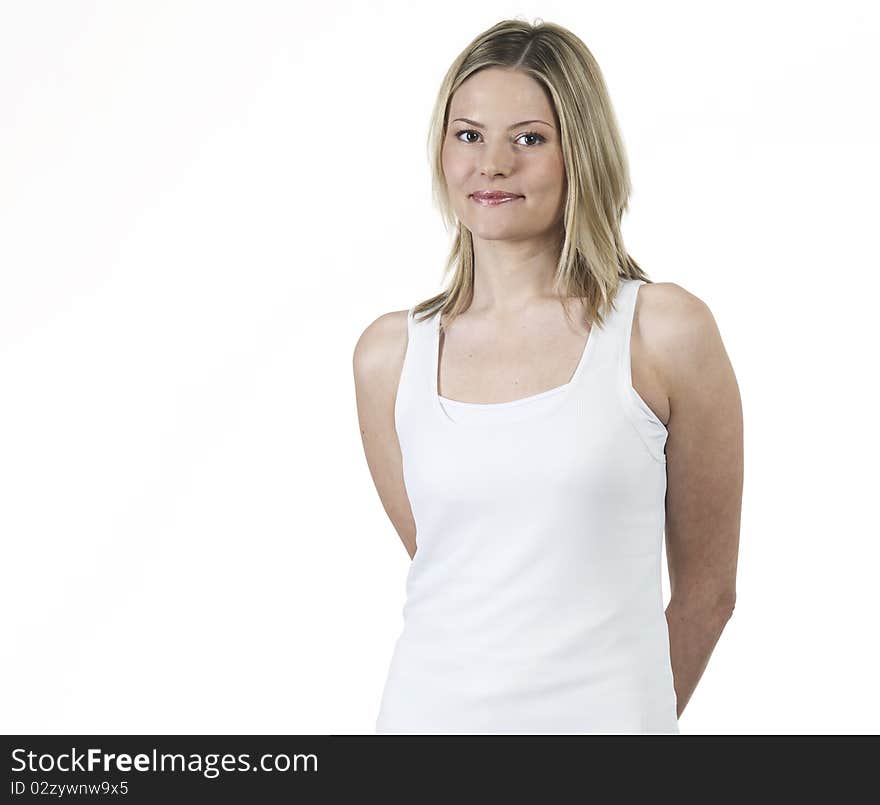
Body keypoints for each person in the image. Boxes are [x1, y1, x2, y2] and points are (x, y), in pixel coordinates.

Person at [353, 18, 742, 734]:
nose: (492, 164)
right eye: (468, 135)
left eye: (528, 138)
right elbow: (457, 571)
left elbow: (708, 593)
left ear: (579, 153)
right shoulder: (389, 357)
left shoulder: (664, 333)